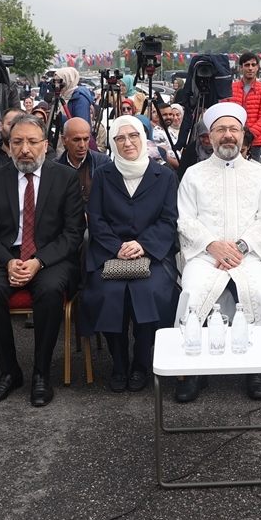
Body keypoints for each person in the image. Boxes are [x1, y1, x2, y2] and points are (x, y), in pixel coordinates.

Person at [0, 116, 84, 406]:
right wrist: (8, 262)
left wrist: (39, 261)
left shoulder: (65, 177)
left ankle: (41, 373)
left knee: (49, 292)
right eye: (17, 142)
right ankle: (9, 372)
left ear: (46, 146)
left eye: (32, 142)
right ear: (8, 147)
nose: (25, 149)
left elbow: (73, 233)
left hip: (51, 257)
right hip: (6, 256)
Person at [174, 102, 261, 403]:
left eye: (234, 129)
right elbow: (186, 219)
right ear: (210, 137)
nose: (228, 135)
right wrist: (213, 246)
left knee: (257, 290)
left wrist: (240, 248)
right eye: (221, 130)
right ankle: (192, 370)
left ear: (244, 135)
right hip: (205, 255)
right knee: (193, 291)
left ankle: (255, 369)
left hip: (248, 254)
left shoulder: (259, 175)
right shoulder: (193, 174)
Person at [81, 115, 180, 392]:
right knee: (108, 293)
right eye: (120, 138)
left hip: (152, 252)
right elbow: (96, 217)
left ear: (143, 138)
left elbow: (168, 220)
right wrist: (116, 247)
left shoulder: (164, 176)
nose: (127, 143)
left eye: (133, 136)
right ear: (113, 142)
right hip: (110, 251)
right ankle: (119, 363)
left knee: (151, 291)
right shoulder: (103, 175)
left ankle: (141, 363)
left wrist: (143, 245)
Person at [228, 53, 261, 161]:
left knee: (252, 174)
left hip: (254, 141)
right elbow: (225, 114)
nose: (250, 68)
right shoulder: (231, 88)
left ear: (257, 67)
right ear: (241, 67)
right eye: (247, 65)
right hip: (232, 138)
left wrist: (249, 136)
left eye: (253, 65)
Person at [56, 117, 109, 206]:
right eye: (76, 140)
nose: (82, 145)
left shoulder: (103, 163)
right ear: (64, 140)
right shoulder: (55, 167)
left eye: (86, 139)